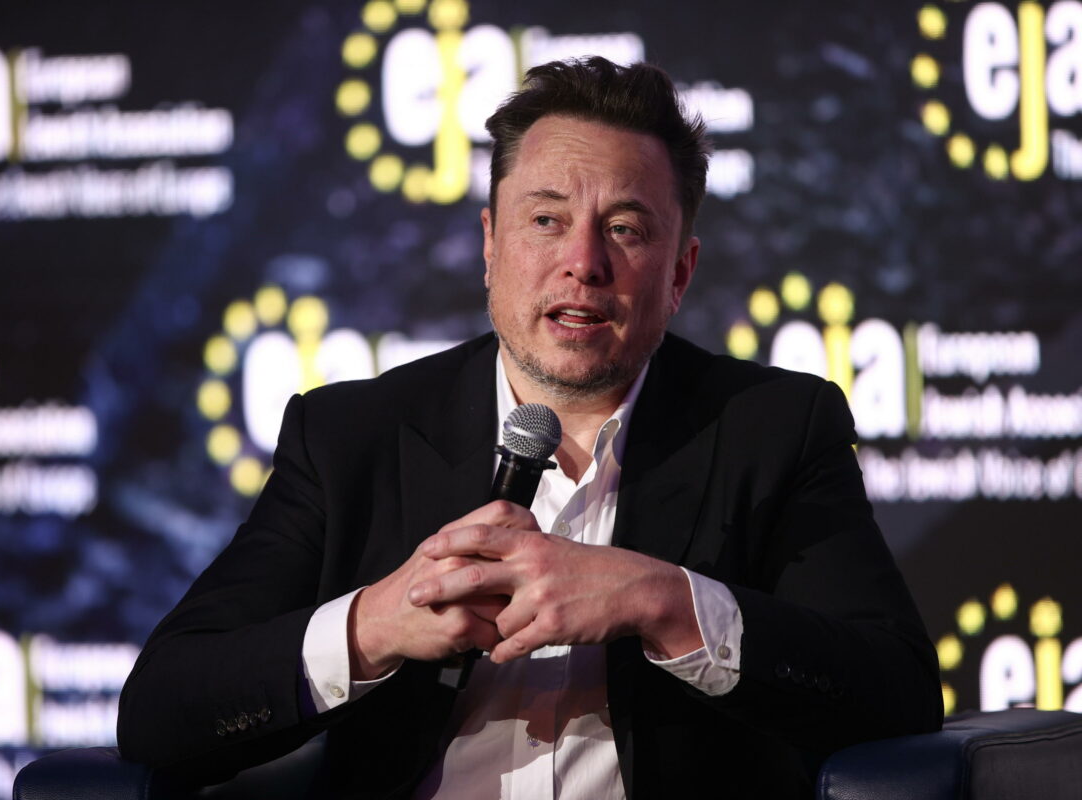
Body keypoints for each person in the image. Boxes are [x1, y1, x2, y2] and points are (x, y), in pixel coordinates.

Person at [118, 57, 942, 798]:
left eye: (625, 229)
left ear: (680, 273)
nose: (583, 262)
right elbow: (161, 710)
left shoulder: (773, 431)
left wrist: (664, 602)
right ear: (490, 245)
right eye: (546, 220)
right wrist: (374, 625)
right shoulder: (351, 437)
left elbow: (896, 692)